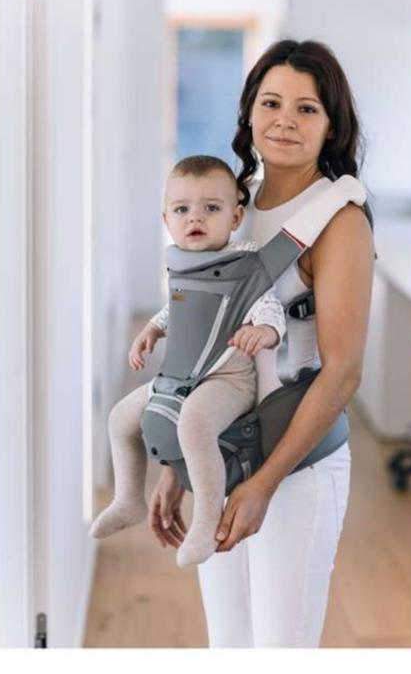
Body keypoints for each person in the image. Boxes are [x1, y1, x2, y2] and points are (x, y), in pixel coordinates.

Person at [147, 39, 375, 647]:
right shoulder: (228, 205)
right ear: (249, 112)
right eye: (271, 102)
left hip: (295, 469)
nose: (285, 120)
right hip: (224, 457)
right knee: (228, 644)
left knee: (280, 647)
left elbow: (343, 372)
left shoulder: (339, 221)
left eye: (307, 109)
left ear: (331, 126)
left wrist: (266, 484)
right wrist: (178, 463)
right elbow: (199, 340)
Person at [89, 154, 287, 567]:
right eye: (182, 209)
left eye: (211, 208)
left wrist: (266, 331)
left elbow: (269, 307)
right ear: (166, 218)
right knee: (121, 419)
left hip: (228, 379)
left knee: (194, 423)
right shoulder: (181, 261)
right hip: (180, 378)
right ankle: (128, 499)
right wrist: (151, 330)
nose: (195, 217)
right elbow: (178, 307)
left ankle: (206, 521)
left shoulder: (243, 265)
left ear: (235, 217)